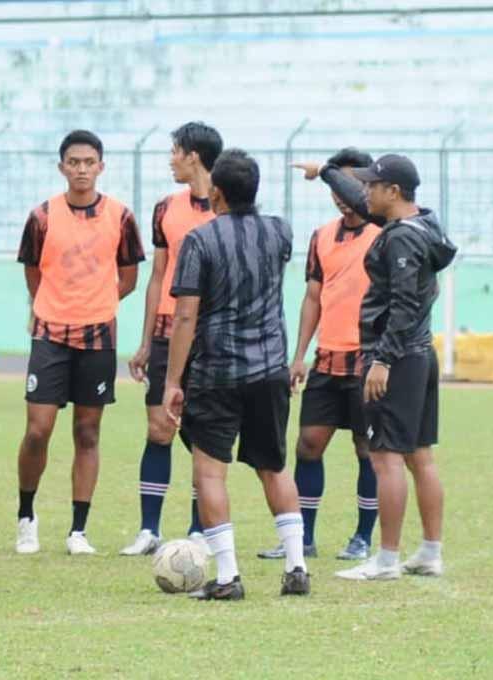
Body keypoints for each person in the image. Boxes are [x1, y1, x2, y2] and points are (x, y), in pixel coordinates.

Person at [162, 149, 310, 600]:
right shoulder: (279, 232)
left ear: (217, 192)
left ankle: (227, 577)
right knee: (275, 466)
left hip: (217, 372)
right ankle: (296, 567)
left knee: (209, 472)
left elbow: (185, 316)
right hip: (269, 369)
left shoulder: (200, 241)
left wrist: (173, 380)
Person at [315, 154, 456, 581]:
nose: (367, 193)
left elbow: (402, 305)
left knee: (385, 458)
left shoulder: (399, 240)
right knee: (419, 457)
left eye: (374, 186)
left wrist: (382, 360)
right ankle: (430, 551)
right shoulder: (424, 226)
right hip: (420, 355)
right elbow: (358, 198)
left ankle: (387, 559)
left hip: (396, 358)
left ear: (393, 192)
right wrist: (324, 172)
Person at [14, 129, 144, 556]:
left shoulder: (121, 216)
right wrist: (54, 304)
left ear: (101, 167)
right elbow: (33, 272)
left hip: (98, 335)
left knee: (87, 432)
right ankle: (26, 517)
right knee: (38, 429)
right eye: (74, 162)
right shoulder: (42, 216)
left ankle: (78, 530)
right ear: (62, 167)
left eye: (89, 162)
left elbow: (128, 276)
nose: (82, 169)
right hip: (50, 333)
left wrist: (97, 302)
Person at [257, 148, 381, 562]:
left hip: (368, 361)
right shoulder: (322, 235)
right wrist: (299, 355)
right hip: (327, 360)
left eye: (349, 183)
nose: (341, 194)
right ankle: (303, 537)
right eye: (335, 184)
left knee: (368, 449)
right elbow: (313, 296)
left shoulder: (384, 234)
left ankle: (363, 537)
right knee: (308, 444)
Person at [122, 122, 221, 556]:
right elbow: (158, 274)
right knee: (159, 427)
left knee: (203, 433)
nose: (171, 160)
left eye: (175, 151)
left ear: (193, 156)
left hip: (210, 335)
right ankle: (149, 529)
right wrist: (145, 340)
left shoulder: (228, 207)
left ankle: (201, 528)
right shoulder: (166, 208)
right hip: (166, 331)